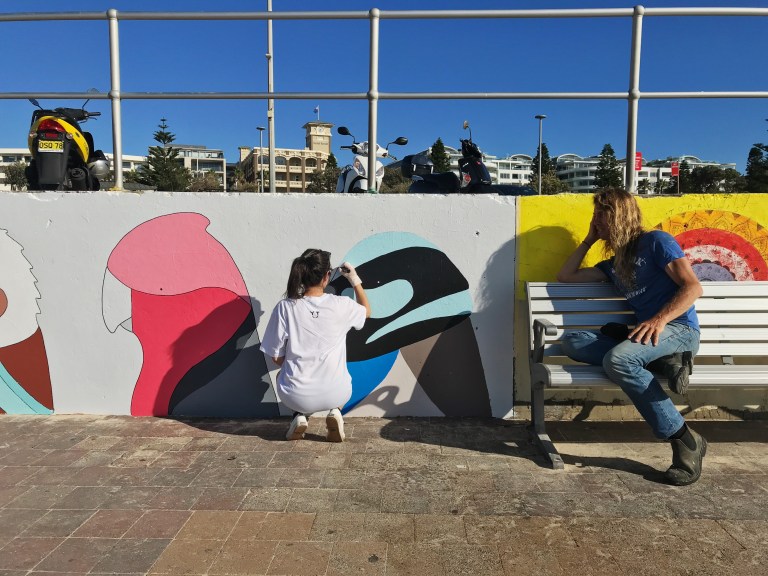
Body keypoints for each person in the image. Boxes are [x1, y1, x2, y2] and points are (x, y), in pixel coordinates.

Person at [556, 188, 705, 486]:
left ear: (620, 215)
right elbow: (566, 276)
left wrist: (659, 319)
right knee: (573, 342)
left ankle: (684, 439)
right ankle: (665, 363)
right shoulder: (614, 264)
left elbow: (693, 287)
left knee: (618, 361)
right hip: (648, 336)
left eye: (602, 213)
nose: (596, 219)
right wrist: (589, 239)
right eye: (595, 213)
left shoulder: (656, 242)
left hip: (678, 330)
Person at [260, 249, 370, 442]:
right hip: (336, 392)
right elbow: (366, 311)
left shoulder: (285, 307)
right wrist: (354, 280)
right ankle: (335, 412)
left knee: (281, 374)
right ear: (327, 276)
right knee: (342, 376)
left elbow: (276, 357)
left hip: (296, 395)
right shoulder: (342, 304)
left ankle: (299, 415)